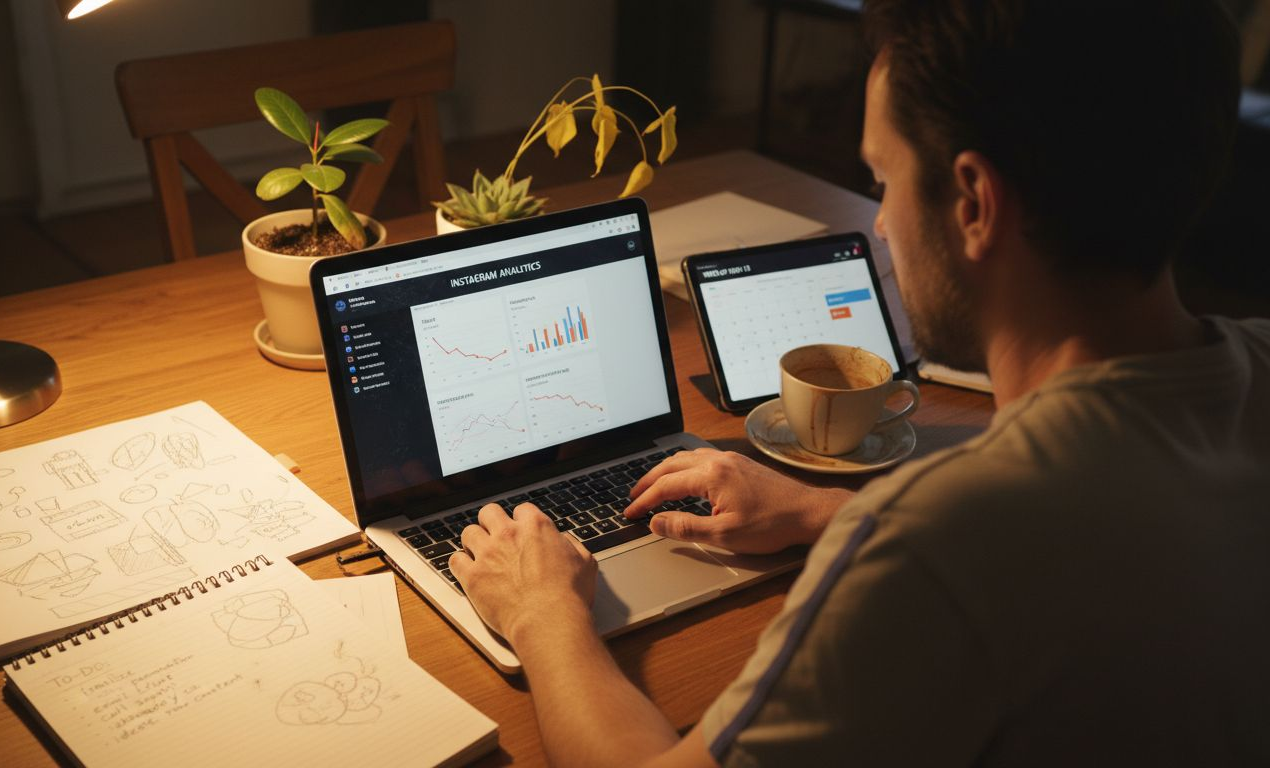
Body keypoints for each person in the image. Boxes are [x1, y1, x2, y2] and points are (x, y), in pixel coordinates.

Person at [449, 0, 1270, 764]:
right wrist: (822, 509)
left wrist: (542, 614)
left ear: (975, 203)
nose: (879, 221)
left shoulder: (930, 543)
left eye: (883, 179)